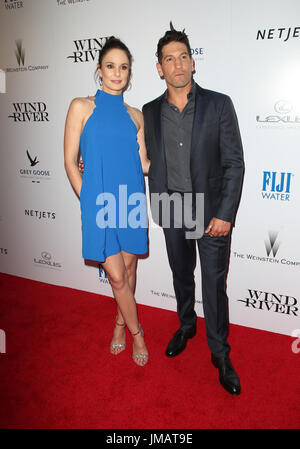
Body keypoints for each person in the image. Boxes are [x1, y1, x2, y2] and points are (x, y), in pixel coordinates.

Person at [142, 23, 244, 394]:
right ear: (160, 68)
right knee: (181, 275)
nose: (178, 64)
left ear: (192, 62)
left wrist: (225, 214)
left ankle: (220, 352)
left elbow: (234, 163)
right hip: (171, 207)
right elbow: (143, 156)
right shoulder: (150, 112)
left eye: (183, 56)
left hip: (211, 211)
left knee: (214, 285)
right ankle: (187, 325)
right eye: (169, 59)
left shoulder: (219, 104)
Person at [64, 37, 150, 366]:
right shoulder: (81, 106)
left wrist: (182, 167)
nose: (117, 73)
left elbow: (143, 164)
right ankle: (137, 332)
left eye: (123, 67)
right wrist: (88, 200)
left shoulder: (137, 115)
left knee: (127, 270)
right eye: (110, 66)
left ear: (130, 73)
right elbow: (71, 162)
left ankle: (118, 324)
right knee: (116, 276)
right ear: (99, 70)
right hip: (98, 204)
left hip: (130, 201)